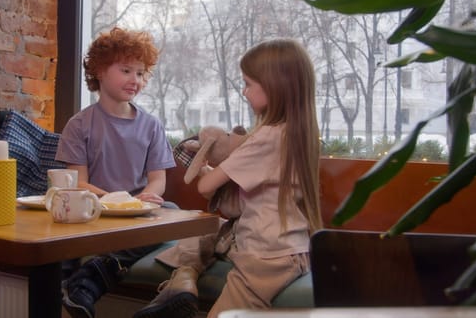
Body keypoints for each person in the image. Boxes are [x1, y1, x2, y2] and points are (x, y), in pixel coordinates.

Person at [133, 38, 323, 318]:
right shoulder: (294, 133)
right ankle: (182, 284)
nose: (244, 92)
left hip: (267, 257)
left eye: (248, 84)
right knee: (198, 230)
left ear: (275, 86)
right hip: (287, 248)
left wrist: (206, 163)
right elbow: (234, 205)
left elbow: (206, 186)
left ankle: (181, 282)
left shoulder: (267, 138)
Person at [55, 26, 176, 318]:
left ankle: (91, 277)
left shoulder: (151, 125)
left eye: (140, 73)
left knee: (170, 209)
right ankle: (77, 278)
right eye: (126, 70)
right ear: (99, 71)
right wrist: (114, 200)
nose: (135, 80)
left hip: (138, 213)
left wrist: (147, 196)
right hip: (96, 209)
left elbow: (158, 179)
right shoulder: (79, 125)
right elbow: (78, 182)